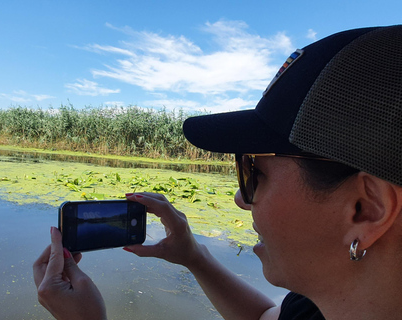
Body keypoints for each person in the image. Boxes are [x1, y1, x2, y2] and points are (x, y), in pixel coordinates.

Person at [33, 25, 402, 319]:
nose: (241, 198)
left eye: (253, 173)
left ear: (365, 209)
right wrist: (193, 256)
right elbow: (265, 317)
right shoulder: (317, 305)